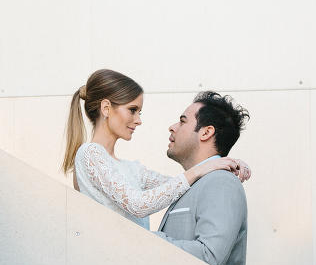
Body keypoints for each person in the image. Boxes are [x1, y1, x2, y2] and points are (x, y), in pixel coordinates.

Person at [62, 69, 250, 229]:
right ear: (106, 108)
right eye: (132, 110)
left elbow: (179, 185)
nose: (139, 120)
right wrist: (201, 169)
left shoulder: (133, 169)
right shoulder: (90, 154)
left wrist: (225, 163)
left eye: (139, 112)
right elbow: (138, 205)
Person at [156, 92, 250, 265]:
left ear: (206, 132)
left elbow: (209, 257)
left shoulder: (222, 182)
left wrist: (145, 240)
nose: (172, 127)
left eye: (182, 122)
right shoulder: (192, 182)